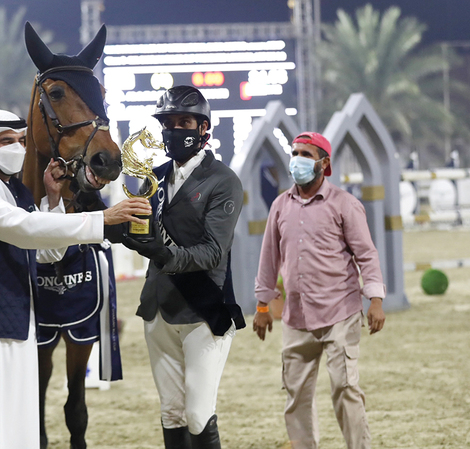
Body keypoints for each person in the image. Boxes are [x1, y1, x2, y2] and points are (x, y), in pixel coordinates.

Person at [0, 110, 150, 449]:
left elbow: (47, 253)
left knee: (14, 427)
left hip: (15, 327)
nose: (17, 148)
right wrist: (102, 218)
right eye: (7, 141)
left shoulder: (11, 190)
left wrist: (53, 198)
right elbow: (24, 229)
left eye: (21, 141)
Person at [117, 86, 245, 449]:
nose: (174, 130)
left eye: (184, 122)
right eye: (168, 123)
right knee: (171, 413)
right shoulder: (153, 178)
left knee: (198, 414)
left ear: (203, 128)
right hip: (159, 307)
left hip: (203, 308)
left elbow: (214, 251)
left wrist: (165, 255)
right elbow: (137, 230)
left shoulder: (223, 180)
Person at [252, 132, 386, 449]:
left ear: (324, 164)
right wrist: (262, 305)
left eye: (306, 154)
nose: (297, 160)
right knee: (295, 394)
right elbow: (269, 258)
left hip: (340, 312)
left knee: (344, 388)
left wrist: (376, 300)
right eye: (295, 153)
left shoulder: (345, 204)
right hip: (296, 317)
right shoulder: (280, 206)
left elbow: (366, 255)